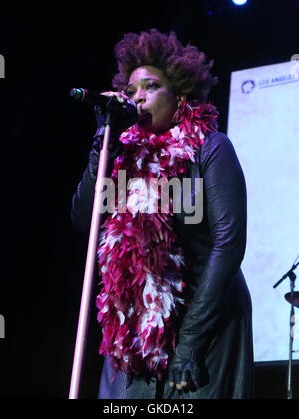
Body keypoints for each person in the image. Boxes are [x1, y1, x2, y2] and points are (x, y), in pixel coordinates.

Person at [71, 28, 254, 399]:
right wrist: (100, 144)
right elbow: (83, 221)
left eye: (150, 87)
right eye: (131, 91)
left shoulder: (210, 147)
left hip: (205, 327)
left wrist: (189, 343)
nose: (137, 98)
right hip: (136, 335)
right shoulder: (121, 159)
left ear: (180, 95)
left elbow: (229, 245)